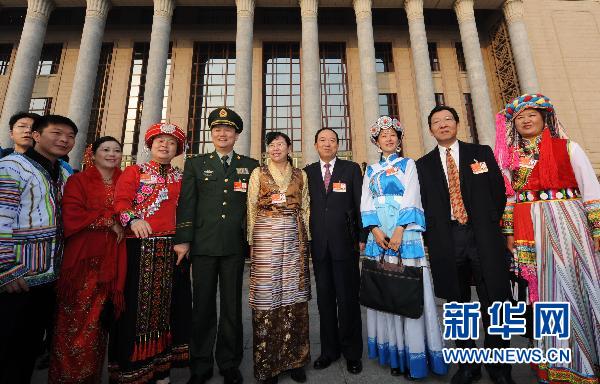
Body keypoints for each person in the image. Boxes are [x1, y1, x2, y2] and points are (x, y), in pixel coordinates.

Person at [495, 93, 600, 384]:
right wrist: (509, 232)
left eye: (532, 114)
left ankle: (586, 361)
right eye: (520, 117)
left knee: (576, 289)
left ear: (544, 118)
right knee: (544, 295)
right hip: (529, 230)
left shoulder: (568, 148)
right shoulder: (512, 159)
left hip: (567, 223)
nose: (526, 120)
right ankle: (557, 365)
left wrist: (596, 229)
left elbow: (590, 188)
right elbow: (509, 197)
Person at [416, 105, 513, 384]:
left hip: (482, 235)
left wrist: (485, 221)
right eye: (437, 121)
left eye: (448, 119)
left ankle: (499, 367)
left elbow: (498, 192)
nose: (443, 124)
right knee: (457, 304)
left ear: (457, 124)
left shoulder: (480, 153)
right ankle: (468, 366)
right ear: (431, 129)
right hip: (446, 238)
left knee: (495, 300)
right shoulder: (423, 164)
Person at [174, 107, 259, 384]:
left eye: (228, 130)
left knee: (233, 308)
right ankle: (200, 365)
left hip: (234, 245)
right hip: (204, 245)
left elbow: (255, 207)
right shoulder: (196, 164)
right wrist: (184, 240)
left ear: (236, 135)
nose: (223, 134)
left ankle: (229, 362)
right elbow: (187, 203)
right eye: (217, 130)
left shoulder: (250, 165)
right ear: (211, 134)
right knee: (203, 307)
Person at [360, 116, 447, 380]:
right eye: (382, 135)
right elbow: (366, 201)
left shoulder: (409, 165)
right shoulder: (371, 170)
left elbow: (412, 195)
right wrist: (374, 230)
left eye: (392, 134)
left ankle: (415, 355)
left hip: (405, 233)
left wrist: (399, 230)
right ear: (376, 142)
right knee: (384, 289)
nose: (388, 138)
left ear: (399, 140)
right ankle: (394, 355)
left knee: (408, 290)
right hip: (379, 237)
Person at [109, 123, 192, 384]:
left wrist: (185, 240)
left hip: (171, 249)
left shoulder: (182, 176)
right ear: (150, 145)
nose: (164, 145)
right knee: (136, 310)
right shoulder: (135, 172)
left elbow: (189, 212)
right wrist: (133, 220)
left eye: (170, 142)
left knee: (168, 309)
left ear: (177, 149)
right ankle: (134, 368)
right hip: (139, 249)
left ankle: (161, 367)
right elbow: (120, 202)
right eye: (159, 141)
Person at [0, 114, 77, 384]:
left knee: (29, 349)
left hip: (49, 275)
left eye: (69, 136)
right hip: (16, 277)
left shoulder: (65, 171)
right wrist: (5, 268)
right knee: (8, 348)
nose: (64, 139)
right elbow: (1, 217)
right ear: (36, 136)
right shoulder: (12, 166)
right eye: (56, 133)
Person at [48, 136, 126, 383]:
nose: (112, 154)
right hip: (82, 262)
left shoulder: (126, 181)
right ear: (92, 155)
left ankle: (91, 376)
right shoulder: (77, 180)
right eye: (106, 149)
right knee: (73, 323)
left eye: (116, 150)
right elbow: (72, 216)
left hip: (113, 261)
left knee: (99, 324)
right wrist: (108, 221)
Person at [246, 131, 311, 384]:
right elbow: (251, 206)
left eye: (280, 144)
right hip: (265, 236)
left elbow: (305, 207)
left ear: (288, 148)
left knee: (293, 294)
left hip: (294, 237)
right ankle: (267, 363)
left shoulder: (300, 174)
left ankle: (295, 360)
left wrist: (308, 240)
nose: (276, 148)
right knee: (266, 295)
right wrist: (251, 241)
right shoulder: (258, 173)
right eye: (271, 145)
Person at [303, 127, 364, 374]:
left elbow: (360, 204)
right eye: (322, 140)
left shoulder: (350, 170)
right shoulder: (306, 172)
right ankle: (329, 350)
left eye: (332, 140)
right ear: (316, 145)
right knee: (325, 300)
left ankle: (352, 352)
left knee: (348, 299)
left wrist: (362, 236)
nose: (327, 144)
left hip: (346, 244)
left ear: (338, 145)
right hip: (319, 246)